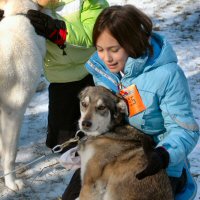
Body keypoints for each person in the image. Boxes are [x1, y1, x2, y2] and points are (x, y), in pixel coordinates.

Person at [64, 4, 200, 200]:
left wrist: (164, 154)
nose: (106, 58)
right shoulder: (103, 69)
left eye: (114, 49)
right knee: (72, 194)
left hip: (156, 161)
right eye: (100, 49)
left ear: (132, 42)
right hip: (116, 149)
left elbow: (186, 130)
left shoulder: (167, 76)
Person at [25, 0, 109, 151]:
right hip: (61, 77)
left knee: (104, 135)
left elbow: (94, 32)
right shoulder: (30, 3)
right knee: (62, 144)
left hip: (92, 73)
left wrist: (60, 31)